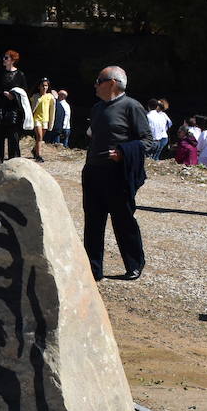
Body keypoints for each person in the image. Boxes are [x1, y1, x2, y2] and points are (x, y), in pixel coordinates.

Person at [82, 65, 153, 280]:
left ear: (112, 83)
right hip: (94, 171)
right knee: (93, 222)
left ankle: (134, 264)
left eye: (99, 80)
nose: (95, 84)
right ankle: (93, 269)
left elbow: (148, 141)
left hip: (117, 174)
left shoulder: (131, 106)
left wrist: (123, 152)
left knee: (123, 221)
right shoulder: (96, 108)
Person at [0, 50, 26, 164]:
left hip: (13, 108)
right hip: (0, 106)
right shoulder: (0, 74)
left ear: (13, 60)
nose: (4, 60)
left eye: (6, 58)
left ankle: (14, 159)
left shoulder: (20, 75)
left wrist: (13, 96)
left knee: (13, 135)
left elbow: (24, 92)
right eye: (4, 57)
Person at [30, 78, 54, 161]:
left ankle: (35, 150)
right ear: (39, 87)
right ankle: (39, 156)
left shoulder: (50, 97)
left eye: (46, 85)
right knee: (39, 137)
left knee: (39, 138)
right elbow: (31, 107)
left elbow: (52, 108)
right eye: (43, 85)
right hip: (37, 119)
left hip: (45, 120)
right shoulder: (35, 96)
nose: (44, 87)